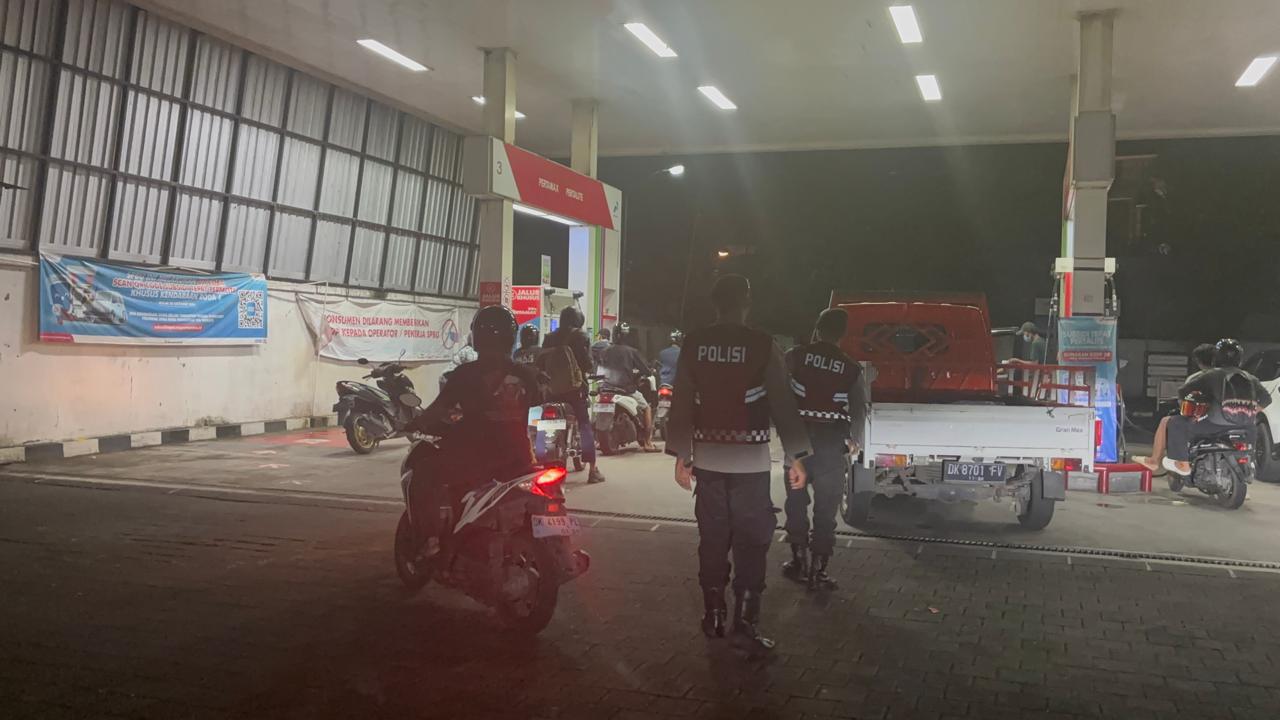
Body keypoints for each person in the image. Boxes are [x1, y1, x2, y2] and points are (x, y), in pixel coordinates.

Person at [666, 274, 813, 654]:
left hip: (708, 461)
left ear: (715, 303)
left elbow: (682, 399)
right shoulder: (763, 344)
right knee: (752, 542)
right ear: (746, 302)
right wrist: (795, 455)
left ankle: (713, 615)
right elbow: (782, 402)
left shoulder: (695, 343)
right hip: (750, 463)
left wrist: (682, 454)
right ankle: (744, 625)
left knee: (713, 539)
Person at [405, 306, 543, 548]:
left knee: (424, 473)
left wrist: (417, 422)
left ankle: (431, 541)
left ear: (477, 337)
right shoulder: (526, 374)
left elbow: (439, 408)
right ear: (511, 337)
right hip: (519, 458)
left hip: (474, 460)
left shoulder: (464, 374)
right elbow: (540, 402)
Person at [780, 308, 866, 591]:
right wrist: (854, 440)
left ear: (817, 329)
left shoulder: (795, 356)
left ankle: (798, 562)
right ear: (842, 335)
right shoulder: (851, 368)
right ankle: (819, 570)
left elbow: (780, 395)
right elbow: (859, 410)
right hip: (831, 447)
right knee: (826, 510)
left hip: (798, 446)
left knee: (795, 504)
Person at [1162, 338, 1271, 477]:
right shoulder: (1250, 378)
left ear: (1217, 357)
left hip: (1214, 425)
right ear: (1240, 358)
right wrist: (1250, 412)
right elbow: (1267, 399)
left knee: (1176, 422)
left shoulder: (1211, 375)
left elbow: (1184, 392)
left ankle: (1182, 464)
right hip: (1247, 428)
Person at [544, 306, 606, 484]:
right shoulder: (580, 336)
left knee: (544, 422)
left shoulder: (549, 338)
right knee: (585, 424)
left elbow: (542, 361)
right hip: (574, 390)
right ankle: (592, 470)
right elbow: (587, 364)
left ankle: (540, 464)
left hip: (552, 390)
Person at [1138, 343, 1215, 473]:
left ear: (1198, 361)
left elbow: (1184, 399)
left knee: (1168, 421)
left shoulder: (1197, 378)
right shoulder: (1233, 377)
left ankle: (1156, 460)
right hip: (1234, 421)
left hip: (1204, 421)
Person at [598, 324, 660, 452]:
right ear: (627, 336)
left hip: (606, 388)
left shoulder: (604, 351)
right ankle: (648, 442)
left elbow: (599, 369)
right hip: (625, 389)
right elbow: (646, 370)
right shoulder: (631, 352)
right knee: (646, 408)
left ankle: (599, 441)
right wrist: (649, 372)